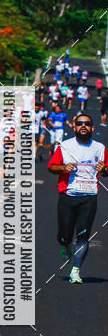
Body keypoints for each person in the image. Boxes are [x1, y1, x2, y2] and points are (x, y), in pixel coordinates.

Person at [47, 114, 108, 283]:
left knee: (83, 235)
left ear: (92, 128)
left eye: (87, 124)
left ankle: (76, 270)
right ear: (74, 128)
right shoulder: (65, 146)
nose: (83, 126)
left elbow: (105, 172)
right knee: (64, 236)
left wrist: (103, 170)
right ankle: (66, 245)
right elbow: (51, 167)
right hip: (68, 195)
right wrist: (63, 167)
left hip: (89, 197)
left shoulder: (100, 148)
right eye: (79, 124)